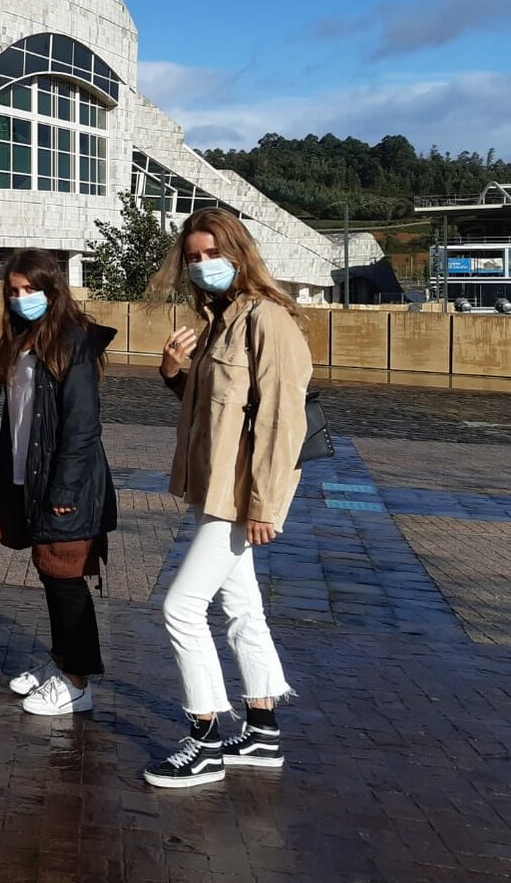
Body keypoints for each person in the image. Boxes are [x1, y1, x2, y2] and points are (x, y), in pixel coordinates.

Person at [143, 208, 312, 788]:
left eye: (213, 253)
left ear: (239, 252)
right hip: (214, 487)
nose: (202, 264)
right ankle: (261, 730)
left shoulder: (269, 319)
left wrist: (265, 504)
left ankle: (206, 739)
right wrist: (174, 373)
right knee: (242, 607)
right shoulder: (221, 320)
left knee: (181, 608)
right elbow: (216, 410)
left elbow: (282, 421)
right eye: (193, 257)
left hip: (238, 497)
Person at [0, 249, 118, 718]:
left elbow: (82, 426)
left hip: (64, 483)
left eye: (31, 289)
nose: (22, 298)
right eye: (14, 291)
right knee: (49, 571)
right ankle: (62, 662)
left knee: (66, 577)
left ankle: (78, 683)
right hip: (29, 476)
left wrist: (64, 489)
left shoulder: (71, 341)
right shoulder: (22, 339)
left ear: (52, 290)